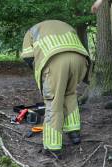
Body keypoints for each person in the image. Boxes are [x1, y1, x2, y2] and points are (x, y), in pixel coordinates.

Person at [20, 20, 90, 158]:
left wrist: (42, 76)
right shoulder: (65, 25)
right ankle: (74, 133)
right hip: (80, 59)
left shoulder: (31, 32)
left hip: (56, 61)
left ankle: (53, 147)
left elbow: (28, 58)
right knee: (70, 94)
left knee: (54, 102)